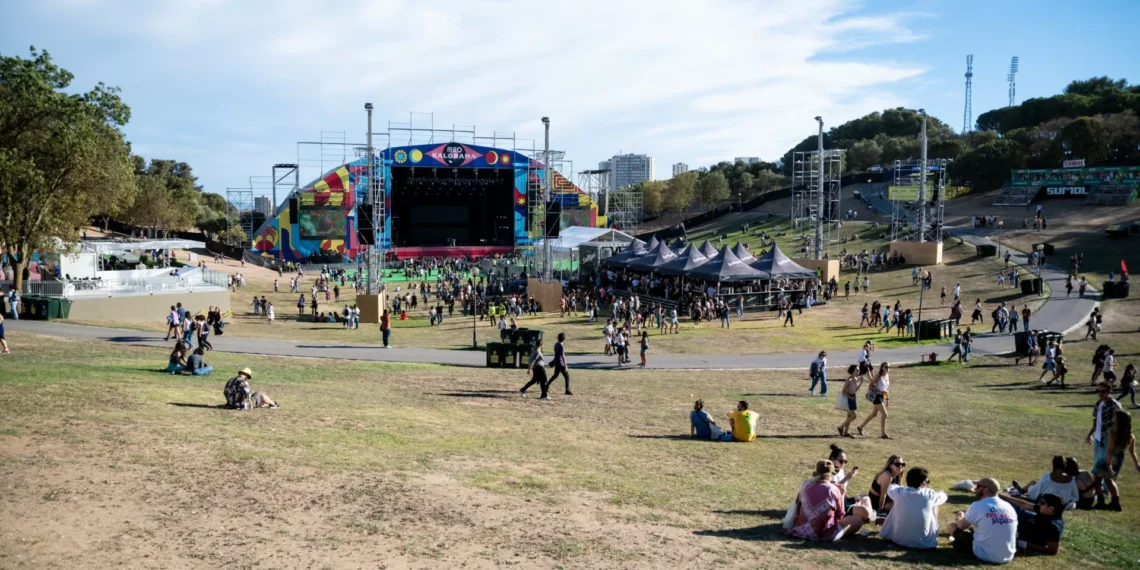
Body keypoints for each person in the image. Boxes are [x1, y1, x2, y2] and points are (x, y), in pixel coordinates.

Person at [782, 460, 864, 542]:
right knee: (858, 520)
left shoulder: (805, 484)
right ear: (831, 474)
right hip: (823, 534)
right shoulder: (833, 490)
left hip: (801, 529)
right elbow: (840, 514)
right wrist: (842, 495)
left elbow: (798, 503)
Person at [945, 477, 1018, 564]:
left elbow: (961, 526)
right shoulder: (1009, 506)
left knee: (951, 526)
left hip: (984, 555)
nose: (975, 489)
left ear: (985, 490)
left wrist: (959, 518)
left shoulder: (978, 505)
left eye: (978, 487)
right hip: (1008, 555)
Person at [879, 467, 947, 549]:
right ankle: (932, 534)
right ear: (922, 483)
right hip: (923, 543)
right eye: (927, 482)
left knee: (897, 502)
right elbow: (944, 496)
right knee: (935, 504)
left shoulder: (899, 492)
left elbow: (891, 487)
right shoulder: (930, 494)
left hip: (898, 539)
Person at [1087, 382, 1124, 509]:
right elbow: (1095, 421)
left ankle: (1106, 500)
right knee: (1100, 474)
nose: (1100, 394)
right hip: (1098, 441)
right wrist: (1089, 434)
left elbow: (1120, 426)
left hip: (1107, 443)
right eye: (1098, 391)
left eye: (1103, 391)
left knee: (1099, 474)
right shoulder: (1099, 403)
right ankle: (1106, 501)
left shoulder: (1115, 406)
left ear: (1109, 392)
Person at [997, 492, 1065, 555]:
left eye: (1042, 502)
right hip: (1025, 519)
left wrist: (1026, 544)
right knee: (1013, 506)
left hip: (1022, 529)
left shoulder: (1053, 526)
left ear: (1051, 508)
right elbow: (1024, 505)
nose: (1039, 504)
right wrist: (1005, 497)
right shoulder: (1045, 511)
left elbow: (1053, 549)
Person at [1103, 410, 1139, 511]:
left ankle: (1115, 502)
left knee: (1108, 479)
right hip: (1120, 458)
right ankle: (1112, 500)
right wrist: (1137, 464)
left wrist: (1108, 464)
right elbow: (1132, 451)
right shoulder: (1130, 435)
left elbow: (1110, 450)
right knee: (1109, 479)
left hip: (1111, 458)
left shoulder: (1113, 432)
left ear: (1119, 419)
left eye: (1115, 415)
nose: (1113, 416)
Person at [857, 362, 892, 439]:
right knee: (885, 415)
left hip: (882, 396)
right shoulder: (878, 375)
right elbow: (870, 385)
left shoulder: (887, 375)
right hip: (877, 397)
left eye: (889, 367)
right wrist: (879, 391)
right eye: (886, 367)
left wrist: (887, 400)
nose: (888, 368)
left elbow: (886, 389)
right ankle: (883, 434)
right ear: (882, 367)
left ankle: (860, 427)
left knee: (874, 414)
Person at [835, 364, 862, 437]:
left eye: (858, 370)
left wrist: (860, 383)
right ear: (852, 371)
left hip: (853, 398)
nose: (858, 371)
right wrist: (850, 397)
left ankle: (846, 432)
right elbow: (843, 391)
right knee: (853, 416)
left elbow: (855, 390)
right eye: (857, 370)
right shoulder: (849, 379)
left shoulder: (856, 379)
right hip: (848, 399)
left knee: (849, 416)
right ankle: (841, 427)